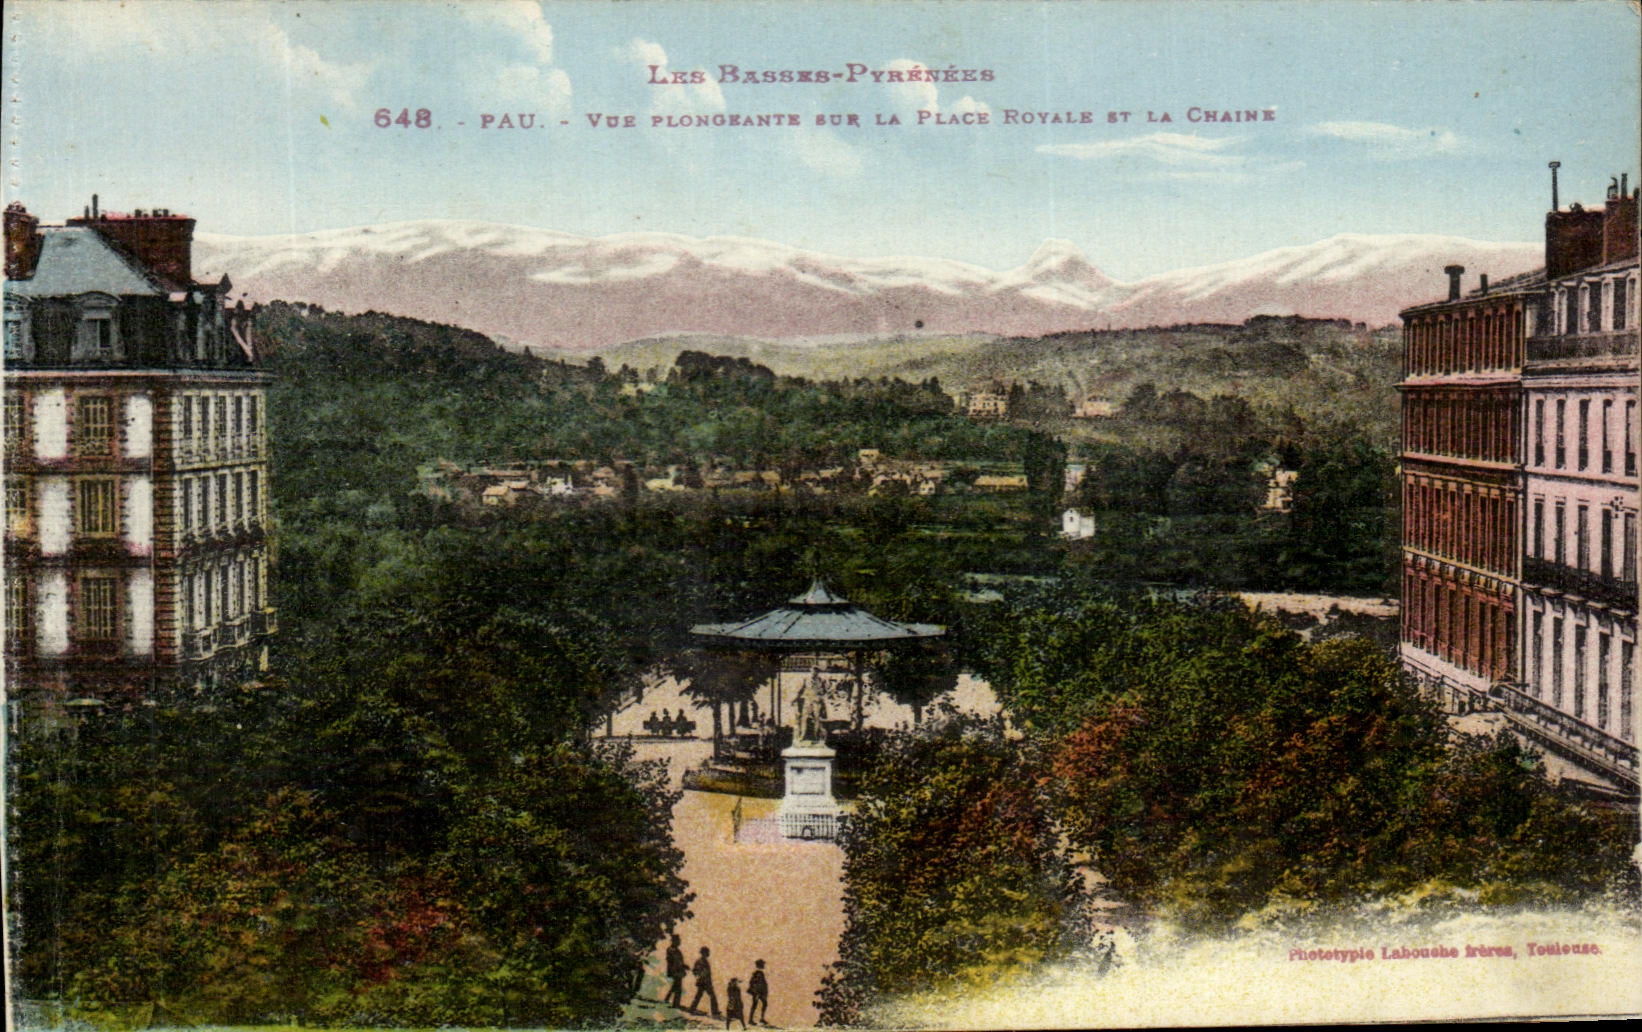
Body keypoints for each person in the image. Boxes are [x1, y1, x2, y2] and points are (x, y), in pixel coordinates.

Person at [689, 945, 720, 1017]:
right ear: (703, 953)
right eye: (706, 952)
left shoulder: (705, 961)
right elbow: (695, 971)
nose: (708, 954)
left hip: (706, 982)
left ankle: (692, 1009)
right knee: (710, 996)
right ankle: (714, 1012)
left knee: (699, 996)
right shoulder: (700, 961)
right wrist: (701, 974)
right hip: (703, 982)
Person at [663, 933, 687, 1008]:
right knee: (678, 988)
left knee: (676, 986)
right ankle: (675, 1004)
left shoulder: (677, 950)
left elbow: (680, 962)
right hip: (675, 971)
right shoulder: (671, 950)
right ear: (674, 941)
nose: (679, 942)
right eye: (678, 941)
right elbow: (671, 961)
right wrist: (675, 971)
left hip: (678, 970)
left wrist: (684, 966)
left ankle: (667, 998)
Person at [747, 959, 769, 1025]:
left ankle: (760, 1019)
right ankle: (751, 1020)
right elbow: (754, 983)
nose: (764, 965)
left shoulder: (759, 973)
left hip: (760, 992)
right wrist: (756, 993)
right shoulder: (758, 973)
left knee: (763, 1004)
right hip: (757, 992)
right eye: (763, 964)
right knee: (755, 1005)